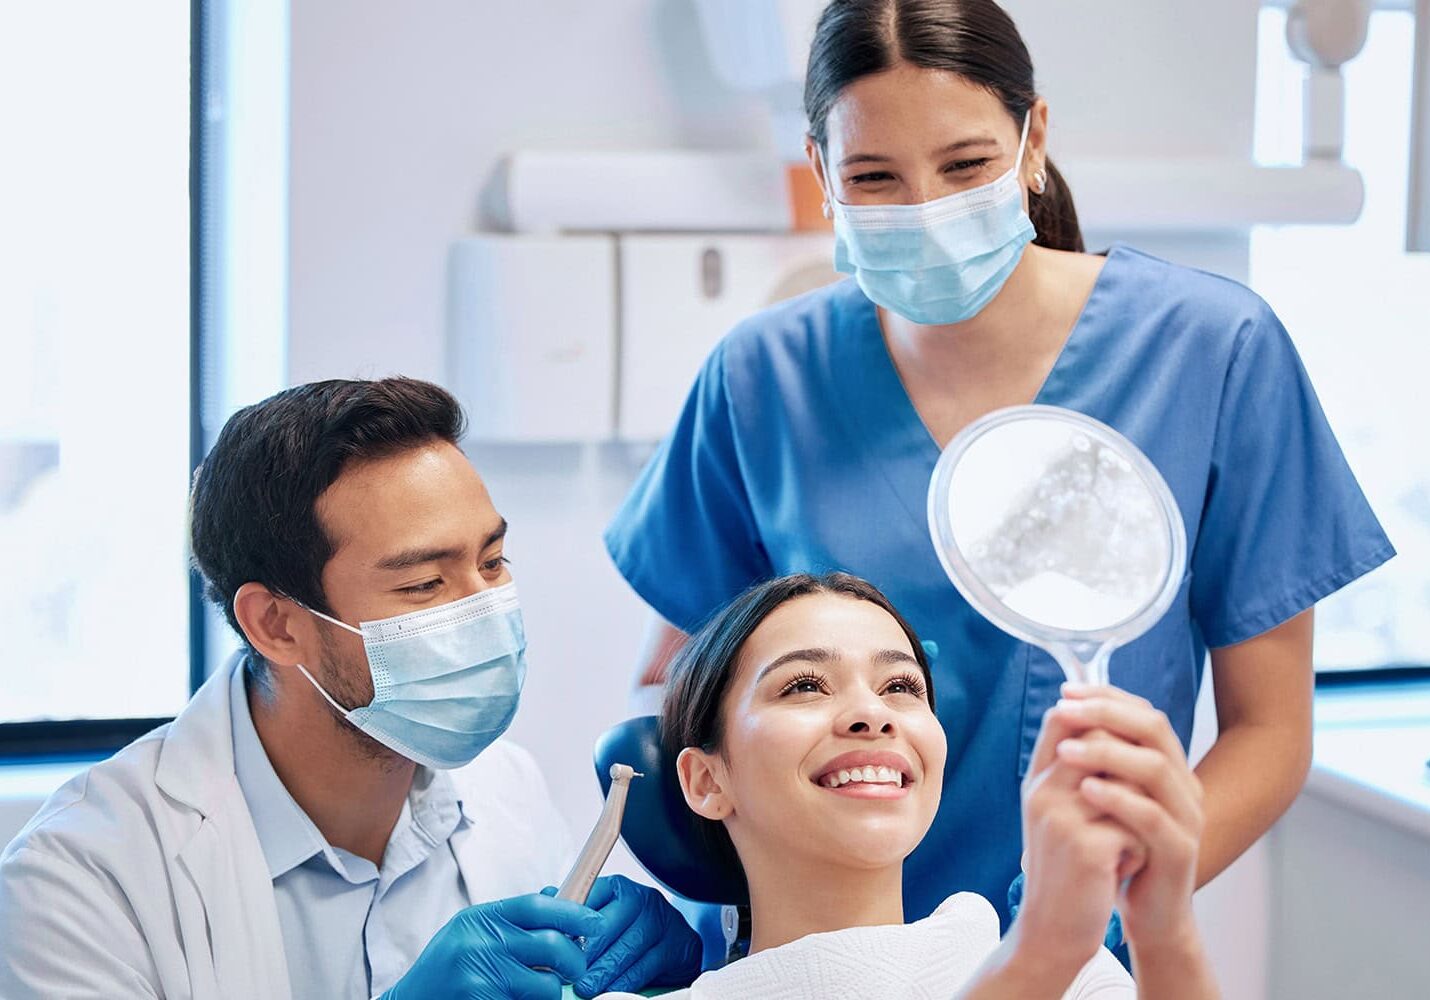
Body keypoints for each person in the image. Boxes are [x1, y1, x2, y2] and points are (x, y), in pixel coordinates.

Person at [603, 0, 1394, 934]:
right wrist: (678, 874)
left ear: (1034, 139)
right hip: (809, 954)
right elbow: (674, 691)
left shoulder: (1211, 352)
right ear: (820, 171)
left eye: (966, 166)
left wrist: (1099, 917)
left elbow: (1269, 732)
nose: (928, 211)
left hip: (1077, 952)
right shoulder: (763, 378)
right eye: (875, 176)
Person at [0, 378, 701, 999]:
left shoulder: (503, 790)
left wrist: (670, 973)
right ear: (276, 624)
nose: (485, 608)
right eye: (425, 584)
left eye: (492, 562)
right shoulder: (81, 879)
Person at [602, 572, 1217, 998]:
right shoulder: (1048, 966)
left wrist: (1165, 933)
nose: (875, 714)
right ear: (706, 780)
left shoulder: (1075, 979)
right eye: (804, 685)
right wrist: (1043, 951)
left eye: (901, 687)